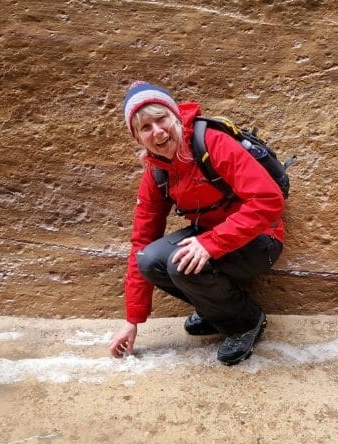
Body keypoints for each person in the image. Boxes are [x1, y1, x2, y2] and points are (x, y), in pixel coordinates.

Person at [107, 81, 286, 366]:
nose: (158, 132)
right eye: (145, 127)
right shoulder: (156, 172)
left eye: (161, 118)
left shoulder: (212, 143)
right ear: (138, 138)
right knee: (149, 259)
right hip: (213, 239)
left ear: (175, 116)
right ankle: (215, 308)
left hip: (261, 239)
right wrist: (132, 320)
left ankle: (245, 323)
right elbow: (141, 240)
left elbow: (268, 200)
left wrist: (210, 243)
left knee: (181, 264)